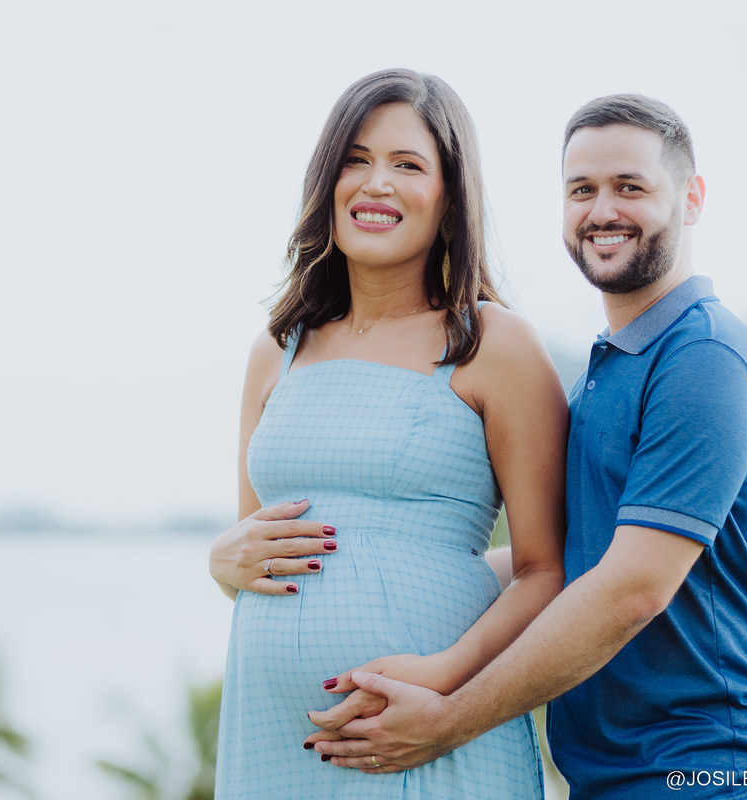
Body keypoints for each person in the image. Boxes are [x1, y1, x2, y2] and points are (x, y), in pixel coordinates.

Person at [306, 94, 747, 799]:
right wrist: (358, 566)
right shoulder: (605, 372)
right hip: (614, 781)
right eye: (582, 190)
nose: (601, 210)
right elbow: (561, 555)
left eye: (630, 187)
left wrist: (448, 719)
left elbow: (629, 589)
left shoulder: (705, 359)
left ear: (691, 198)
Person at [208, 68, 568, 799]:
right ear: (327, 182)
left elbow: (546, 573)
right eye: (357, 159)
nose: (377, 184)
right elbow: (258, 548)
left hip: (425, 732)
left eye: (408, 165)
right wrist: (222, 563)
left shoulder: (492, 343)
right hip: (272, 735)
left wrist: (443, 681)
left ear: (448, 196)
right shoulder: (276, 350)